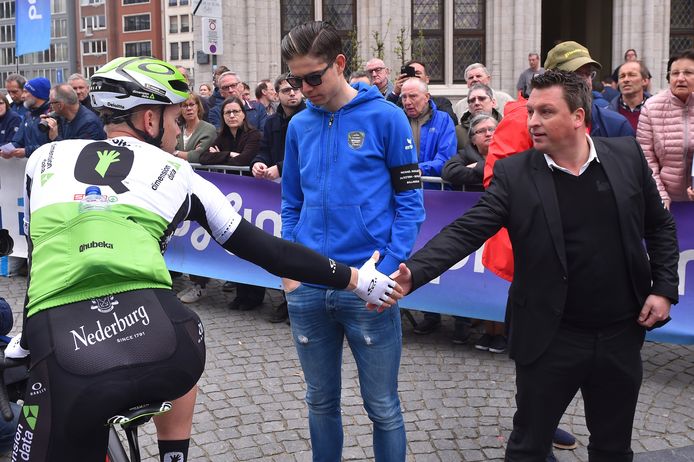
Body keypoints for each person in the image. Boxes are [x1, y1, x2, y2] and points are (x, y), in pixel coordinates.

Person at [10, 56, 402, 462]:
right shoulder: (179, 173)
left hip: (63, 348)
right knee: (178, 334)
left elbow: (39, 260)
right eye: (177, 119)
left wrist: (25, 343)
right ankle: (173, 456)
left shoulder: (44, 159)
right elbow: (271, 252)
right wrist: (356, 279)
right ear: (149, 120)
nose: (179, 130)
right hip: (163, 344)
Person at [394, 69, 679, 462]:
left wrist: (663, 287)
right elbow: (467, 230)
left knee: (613, 448)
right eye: (530, 111)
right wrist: (415, 271)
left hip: (620, 333)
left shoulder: (626, 158)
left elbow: (660, 225)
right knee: (529, 447)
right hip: (550, 336)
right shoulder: (515, 173)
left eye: (546, 112)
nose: (532, 122)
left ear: (578, 117)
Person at [281, 21, 425, 461]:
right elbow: (290, 203)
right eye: (294, 79)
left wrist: (386, 270)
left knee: (382, 407)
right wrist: (289, 269)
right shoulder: (298, 126)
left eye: (313, 77)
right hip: (308, 286)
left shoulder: (387, 116)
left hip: (367, 287)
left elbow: (411, 204)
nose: (304, 88)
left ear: (340, 64)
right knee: (319, 402)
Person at [251, 74, 306, 323]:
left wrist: (281, 167)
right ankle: (289, 299)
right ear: (276, 94)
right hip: (279, 195)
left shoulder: (311, 117)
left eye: (296, 89)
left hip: (306, 192)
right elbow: (263, 149)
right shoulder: (272, 122)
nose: (292, 94)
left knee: (303, 247)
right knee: (285, 246)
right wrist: (259, 163)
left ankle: (302, 300)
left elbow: (308, 153)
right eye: (286, 90)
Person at [637, 48, 694, 209]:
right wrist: (660, 195)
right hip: (665, 200)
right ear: (669, 78)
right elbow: (646, 157)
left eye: (688, 73)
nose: (680, 78)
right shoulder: (652, 107)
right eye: (675, 73)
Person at [400, 78, 456, 179]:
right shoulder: (397, 121)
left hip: (434, 189)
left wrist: (421, 169)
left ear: (426, 97)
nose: (407, 102)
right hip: (403, 187)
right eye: (404, 97)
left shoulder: (443, 120)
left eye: (413, 96)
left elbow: (446, 157)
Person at [388, 59, 458, 125]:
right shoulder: (400, 103)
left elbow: (451, 123)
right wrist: (395, 93)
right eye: (411, 74)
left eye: (417, 74)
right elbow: (385, 118)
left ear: (427, 79)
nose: (414, 77)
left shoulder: (441, 103)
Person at [443, 114, 497, 192]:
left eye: (491, 129)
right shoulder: (466, 154)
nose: (488, 134)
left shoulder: (508, 152)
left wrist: (477, 166)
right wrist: (488, 171)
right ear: (473, 140)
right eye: (481, 131)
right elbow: (448, 172)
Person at [41, 84, 106, 142]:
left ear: (60, 105)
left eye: (51, 103)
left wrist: (55, 138)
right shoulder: (63, 117)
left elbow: (79, 153)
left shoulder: (89, 124)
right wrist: (48, 127)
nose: (50, 106)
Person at [7, 77, 51, 158]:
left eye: (26, 92)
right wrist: (7, 150)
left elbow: (50, 147)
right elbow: (17, 141)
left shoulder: (52, 115)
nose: (22, 96)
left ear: (37, 94)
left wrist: (27, 152)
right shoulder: (28, 115)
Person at [607, 60, 651, 132]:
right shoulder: (607, 114)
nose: (626, 80)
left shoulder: (659, 111)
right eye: (622, 76)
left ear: (644, 81)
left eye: (632, 75)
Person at [456, 83, 503, 150]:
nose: (476, 103)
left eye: (482, 98)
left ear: (493, 102)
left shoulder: (507, 127)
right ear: (468, 107)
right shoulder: (458, 132)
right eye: (472, 100)